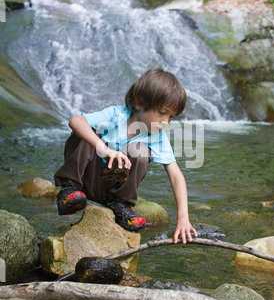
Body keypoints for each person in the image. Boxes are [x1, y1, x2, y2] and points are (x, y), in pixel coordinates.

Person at [54, 68, 197, 244]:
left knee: (141, 150)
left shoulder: (157, 137)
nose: (166, 122)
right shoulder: (116, 115)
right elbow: (75, 121)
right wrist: (104, 149)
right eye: (161, 113)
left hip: (109, 189)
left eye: (171, 117)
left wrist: (183, 218)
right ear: (139, 102)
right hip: (85, 180)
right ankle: (68, 190)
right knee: (87, 130)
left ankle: (120, 205)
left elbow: (176, 176)